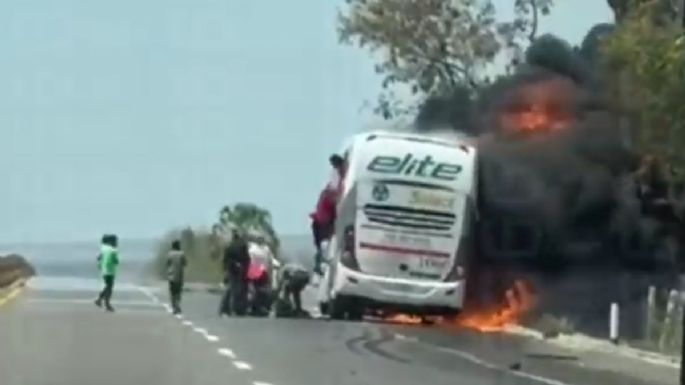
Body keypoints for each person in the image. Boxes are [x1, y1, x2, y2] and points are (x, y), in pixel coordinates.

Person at [219, 228, 251, 316]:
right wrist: (245, 269)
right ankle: (238, 309)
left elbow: (225, 260)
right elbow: (247, 259)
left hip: (231, 270)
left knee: (230, 290)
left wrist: (225, 269)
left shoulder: (229, 246)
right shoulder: (242, 245)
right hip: (240, 271)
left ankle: (226, 309)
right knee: (239, 291)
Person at [95, 234, 119, 312]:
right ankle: (106, 304)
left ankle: (100, 300)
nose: (116, 243)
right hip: (110, 271)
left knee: (107, 287)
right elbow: (116, 261)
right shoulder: (113, 251)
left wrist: (100, 265)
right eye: (115, 241)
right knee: (109, 287)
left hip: (104, 271)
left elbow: (99, 258)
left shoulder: (104, 249)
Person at [167, 240, 187, 314]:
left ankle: (174, 307)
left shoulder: (170, 254)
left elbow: (167, 263)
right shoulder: (182, 254)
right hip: (179, 276)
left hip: (171, 276)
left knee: (172, 293)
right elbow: (185, 263)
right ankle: (177, 306)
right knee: (178, 292)